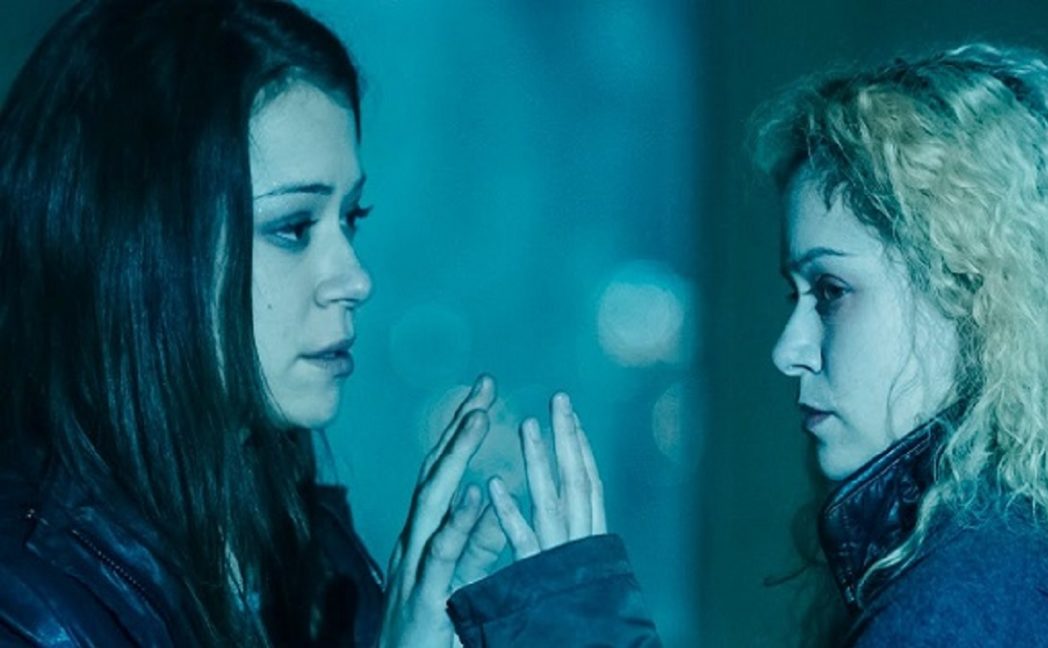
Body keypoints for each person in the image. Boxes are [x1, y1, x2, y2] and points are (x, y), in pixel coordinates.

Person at [0, 1, 641, 646]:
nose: (355, 279)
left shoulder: (313, 564)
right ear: (140, 243)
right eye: (293, 227)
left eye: (351, 218)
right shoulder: (26, 610)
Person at [468, 44, 1048, 646]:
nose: (787, 350)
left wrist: (579, 631)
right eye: (793, 293)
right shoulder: (1034, 564)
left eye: (830, 290)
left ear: (972, 297)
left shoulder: (973, 603)